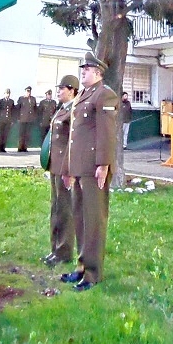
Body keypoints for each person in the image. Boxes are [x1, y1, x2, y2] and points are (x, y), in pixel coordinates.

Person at [60, 52, 118, 291]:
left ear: (98, 73)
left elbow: (106, 133)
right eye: (82, 69)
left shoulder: (105, 94)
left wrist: (103, 165)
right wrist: (67, 168)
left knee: (94, 220)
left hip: (95, 169)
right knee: (81, 219)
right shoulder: (82, 96)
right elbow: (74, 137)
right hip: (79, 168)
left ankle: (93, 273)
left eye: (87, 69)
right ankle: (82, 267)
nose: (82, 72)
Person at [42, 74, 79, 267]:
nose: (58, 91)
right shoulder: (60, 110)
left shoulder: (74, 111)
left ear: (72, 90)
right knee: (55, 208)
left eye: (62, 89)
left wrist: (70, 170)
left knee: (65, 210)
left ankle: (64, 252)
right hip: (54, 165)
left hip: (65, 168)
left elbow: (74, 144)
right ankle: (54, 249)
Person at [17, 85, 37, 152]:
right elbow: (18, 108)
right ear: (25, 91)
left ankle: (25, 147)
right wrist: (18, 118)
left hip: (29, 119)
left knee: (27, 134)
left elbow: (35, 108)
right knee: (21, 134)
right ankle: (20, 147)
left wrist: (33, 117)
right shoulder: (21, 98)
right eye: (27, 91)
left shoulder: (33, 99)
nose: (28, 93)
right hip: (22, 119)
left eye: (29, 91)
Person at [0, 88, 15, 152]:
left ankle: (3, 148)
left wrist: (12, 120)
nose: (7, 95)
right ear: (4, 94)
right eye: (6, 93)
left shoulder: (11, 101)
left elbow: (13, 111)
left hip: (8, 120)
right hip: (1, 120)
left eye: (8, 93)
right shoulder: (1, 101)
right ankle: (0, 148)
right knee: (0, 134)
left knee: (6, 135)